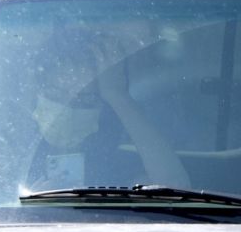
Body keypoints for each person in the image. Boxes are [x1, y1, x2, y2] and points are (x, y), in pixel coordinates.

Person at [23, 27, 188, 191]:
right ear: (37, 93)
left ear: (102, 108)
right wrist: (28, 207)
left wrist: (117, 93)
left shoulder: (112, 164)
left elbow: (175, 188)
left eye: (85, 99)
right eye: (57, 95)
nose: (68, 108)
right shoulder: (11, 158)